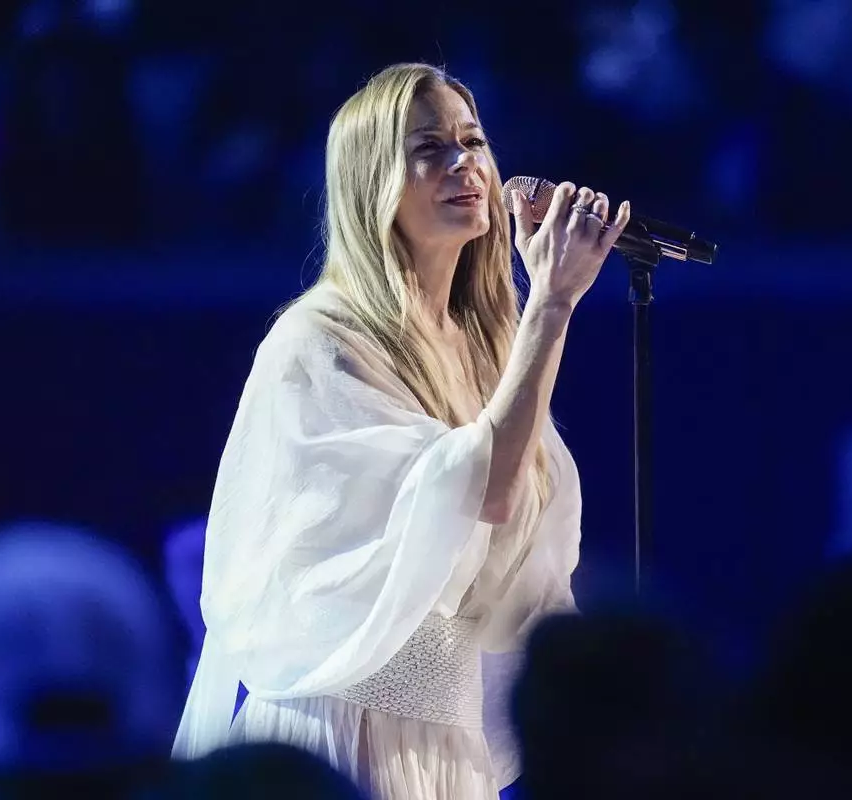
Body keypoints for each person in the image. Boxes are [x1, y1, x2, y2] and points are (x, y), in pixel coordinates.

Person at [171, 62, 631, 800]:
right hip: (347, 730)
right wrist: (552, 304)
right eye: (429, 148)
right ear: (372, 181)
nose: (464, 164)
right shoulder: (317, 342)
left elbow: (517, 551)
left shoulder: (485, 348)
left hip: (446, 742)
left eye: (472, 141)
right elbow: (484, 491)